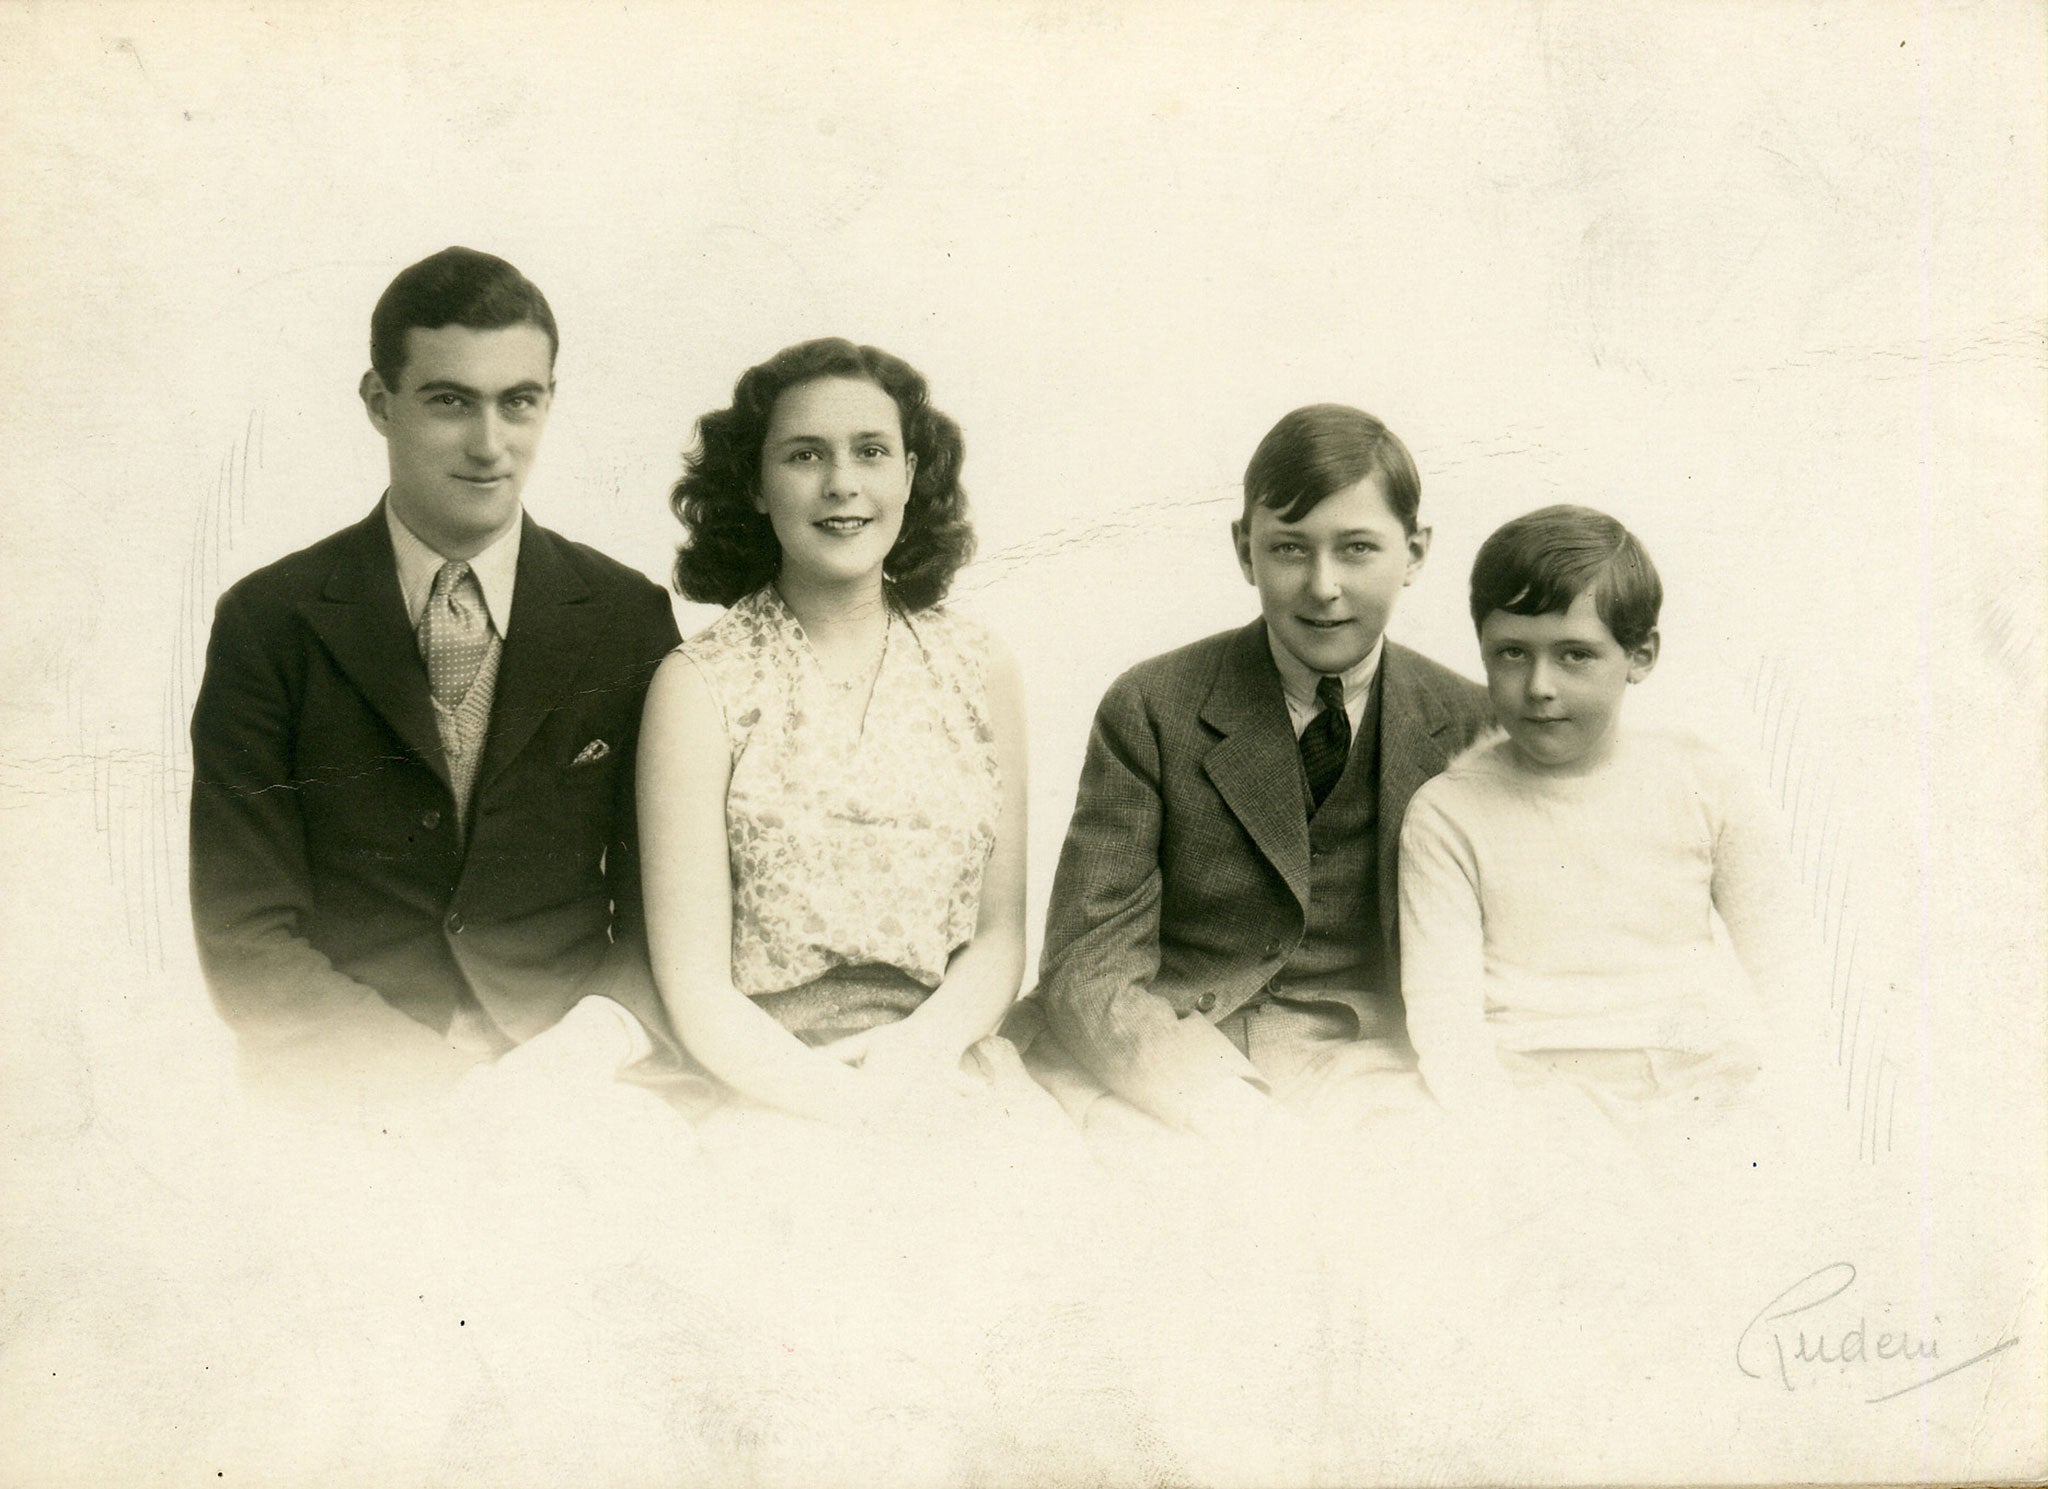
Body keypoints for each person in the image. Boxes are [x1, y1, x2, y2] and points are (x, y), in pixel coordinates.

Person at [188, 246, 682, 1106]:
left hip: (568, 1085)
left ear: (549, 402)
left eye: (518, 403)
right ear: (380, 403)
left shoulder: (624, 614)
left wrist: (563, 1069)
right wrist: (437, 1088)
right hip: (344, 1086)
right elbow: (244, 935)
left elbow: (662, 918)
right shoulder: (270, 621)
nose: (490, 445)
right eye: (450, 401)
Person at [1031, 404, 1493, 1139]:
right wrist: (1215, 1099)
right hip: (1170, 1059)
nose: (1323, 584)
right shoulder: (1152, 707)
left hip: (1373, 1067)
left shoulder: (1473, 724)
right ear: (1245, 550)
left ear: (1416, 551)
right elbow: (1088, 965)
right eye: (1289, 549)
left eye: (1357, 549)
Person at [636, 337, 1033, 1130]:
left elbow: (999, 940)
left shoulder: (979, 664)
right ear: (754, 483)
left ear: (911, 475)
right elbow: (695, 986)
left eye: (872, 452)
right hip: (768, 1077)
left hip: (940, 1061)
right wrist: (846, 1106)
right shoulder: (699, 685)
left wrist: (918, 1058)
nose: (842, 484)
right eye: (805, 455)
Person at [1397, 504, 1818, 1126]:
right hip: (1533, 1094)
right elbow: (1445, 1023)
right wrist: (1504, 1132)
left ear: (1640, 655)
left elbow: (1786, 971)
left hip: (1698, 1084)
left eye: (1575, 655)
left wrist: (1793, 1103)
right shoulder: (1448, 813)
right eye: (1512, 653)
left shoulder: (1705, 784)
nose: (1539, 685)